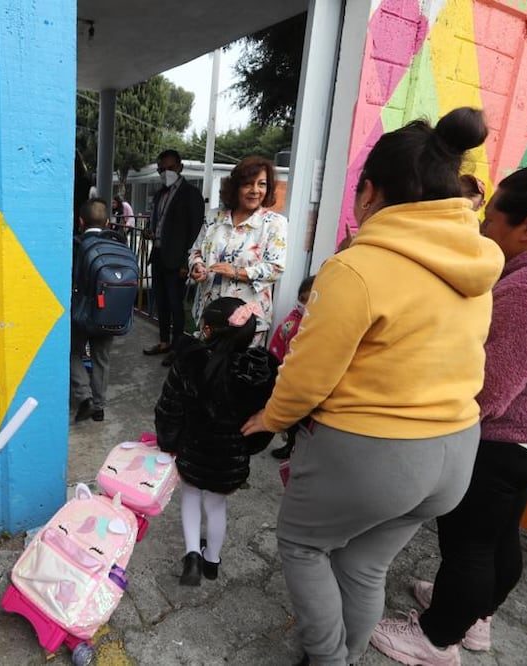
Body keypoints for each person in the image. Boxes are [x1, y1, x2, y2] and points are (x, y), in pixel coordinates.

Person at [241, 107, 504, 666]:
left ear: (368, 192)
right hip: (457, 451)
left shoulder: (357, 268)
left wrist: (271, 417)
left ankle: (328, 658)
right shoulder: (479, 262)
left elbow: (308, 375)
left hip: (375, 455)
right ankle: (349, 654)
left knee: (303, 544)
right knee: (364, 563)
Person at [371, 162, 527, 666]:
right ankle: (477, 617)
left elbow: (489, 386)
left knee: (469, 546)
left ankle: (436, 639)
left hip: (503, 439)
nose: (483, 228)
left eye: (491, 219)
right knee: (498, 536)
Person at [155, 297, 279, 586]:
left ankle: (191, 557)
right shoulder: (262, 369)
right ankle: (212, 561)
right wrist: (248, 448)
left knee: (190, 496)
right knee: (216, 505)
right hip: (230, 459)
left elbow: (169, 407)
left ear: (208, 329)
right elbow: (266, 419)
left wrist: (167, 442)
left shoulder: (190, 359)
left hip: (192, 450)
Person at [188, 158, 288, 347]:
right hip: (210, 311)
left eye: (262, 184)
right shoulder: (214, 216)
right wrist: (197, 266)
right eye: (248, 184)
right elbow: (196, 251)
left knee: (238, 365)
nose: (255, 190)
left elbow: (275, 269)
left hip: (246, 320)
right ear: (235, 187)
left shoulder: (275, 224)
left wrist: (235, 272)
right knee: (207, 361)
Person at [143, 149, 205, 359]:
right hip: (158, 255)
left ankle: (177, 349)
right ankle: (164, 342)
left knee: (175, 304)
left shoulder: (191, 194)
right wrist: (150, 231)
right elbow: (157, 221)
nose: (165, 173)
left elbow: (195, 231)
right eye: (161, 169)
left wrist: (186, 262)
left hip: (177, 260)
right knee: (160, 301)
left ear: (180, 167)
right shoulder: (160, 193)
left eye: (170, 168)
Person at [70, 197, 125, 423]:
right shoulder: (118, 244)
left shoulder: (76, 245)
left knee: (73, 352)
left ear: (81, 221)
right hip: (109, 311)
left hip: (81, 312)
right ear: (108, 222)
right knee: (102, 358)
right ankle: (99, 408)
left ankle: (85, 397)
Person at [267, 275, 315, 460]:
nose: (304, 305)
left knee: (306, 420)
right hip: (289, 376)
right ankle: (290, 445)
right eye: (302, 299)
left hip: (309, 381)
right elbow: (278, 343)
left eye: (309, 300)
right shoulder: (292, 320)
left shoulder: (320, 325)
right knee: (293, 419)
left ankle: (299, 449)